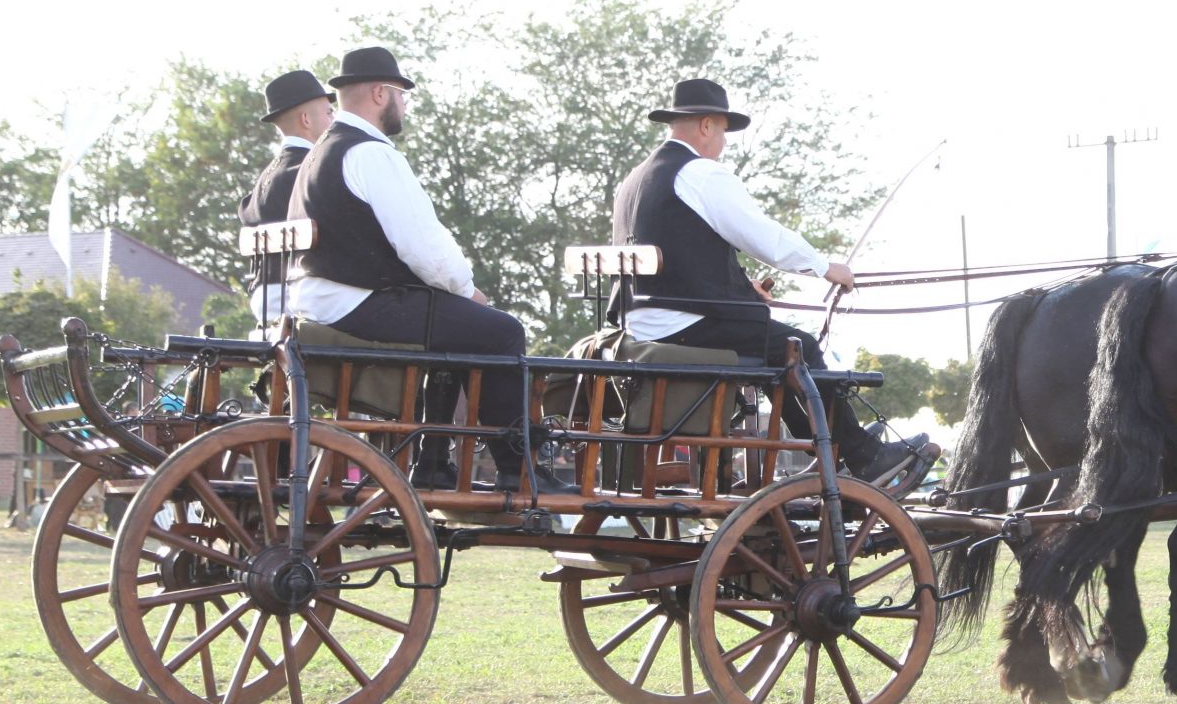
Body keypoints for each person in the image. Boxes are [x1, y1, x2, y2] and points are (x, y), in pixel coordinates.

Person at [611, 77, 926, 480]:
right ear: (707, 125)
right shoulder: (700, 174)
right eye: (722, 131)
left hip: (643, 325)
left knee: (780, 349)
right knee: (801, 349)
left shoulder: (634, 181)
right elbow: (763, 237)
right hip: (686, 326)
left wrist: (744, 292)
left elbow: (684, 254)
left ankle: (832, 447)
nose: (722, 143)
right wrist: (826, 267)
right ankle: (862, 455)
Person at [285, 46, 566, 492]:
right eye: (401, 93)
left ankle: (433, 463)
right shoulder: (372, 154)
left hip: (327, 301)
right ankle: (519, 471)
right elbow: (423, 247)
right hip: (358, 302)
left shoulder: (322, 151)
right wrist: (467, 289)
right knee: (501, 331)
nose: (405, 103)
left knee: (462, 327)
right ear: (380, 92)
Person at [238, 69, 334, 336]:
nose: (334, 121)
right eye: (328, 113)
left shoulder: (265, 178)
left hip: (264, 301)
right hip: (299, 302)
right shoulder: (313, 172)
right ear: (306, 119)